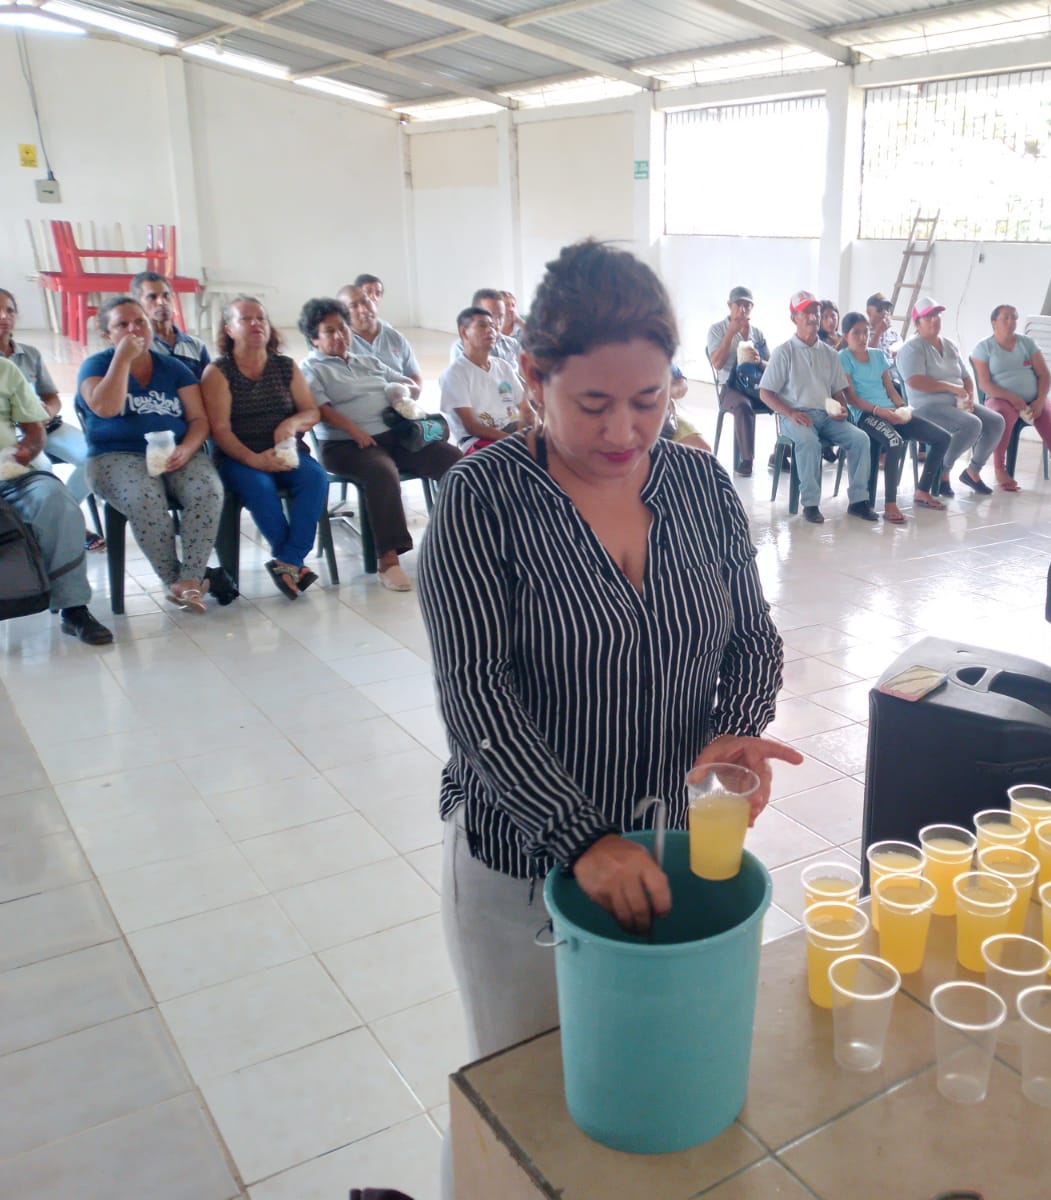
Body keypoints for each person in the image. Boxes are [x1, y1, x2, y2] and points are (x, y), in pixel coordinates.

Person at [417, 240, 798, 1196]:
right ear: (534, 378)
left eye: (649, 399)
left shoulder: (699, 488)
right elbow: (476, 698)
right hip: (520, 865)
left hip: (666, 850)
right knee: (522, 1109)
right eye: (593, 403)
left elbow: (753, 638)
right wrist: (579, 838)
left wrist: (738, 727)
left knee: (646, 1083)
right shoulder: (481, 502)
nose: (624, 430)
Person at [299, 297, 461, 592]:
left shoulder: (366, 361)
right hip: (346, 445)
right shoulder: (312, 369)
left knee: (453, 460)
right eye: (329, 331)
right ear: (314, 338)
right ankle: (388, 560)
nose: (339, 335)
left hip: (394, 436)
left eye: (343, 328)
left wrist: (402, 392)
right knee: (382, 472)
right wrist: (354, 430)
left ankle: (458, 538)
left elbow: (409, 384)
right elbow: (320, 409)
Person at [77, 297, 223, 613]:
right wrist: (122, 360)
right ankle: (176, 582)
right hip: (114, 456)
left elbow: (199, 419)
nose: (134, 330)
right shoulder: (96, 366)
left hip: (175, 451)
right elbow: (105, 408)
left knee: (207, 489)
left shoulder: (173, 368)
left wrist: (187, 448)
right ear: (107, 334)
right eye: (122, 325)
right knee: (145, 497)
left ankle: (191, 578)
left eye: (139, 322)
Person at [199, 297, 330, 599]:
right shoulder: (218, 372)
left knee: (315, 478)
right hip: (238, 457)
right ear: (229, 329)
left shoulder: (285, 366)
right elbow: (220, 430)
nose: (256, 324)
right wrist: (256, 460)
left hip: (286, 451)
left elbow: (311, 411)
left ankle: (289, 560)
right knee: (259, 487)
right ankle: (293, 564)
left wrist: (292, 424)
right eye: (246, 319)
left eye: (261, 318)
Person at [0, 357, 112, 644]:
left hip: (9, 472)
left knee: (56, 501)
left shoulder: (5, 369)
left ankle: (73, 608)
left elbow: (34, 430)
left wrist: (27, 450)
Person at [758, 291, 876, 525]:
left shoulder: (830, 354)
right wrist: (791, 413)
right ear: (794, 318)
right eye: (806, 313)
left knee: (860, 439)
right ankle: (810, 504)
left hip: (827, 416)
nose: (813, 317)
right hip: (795, 416)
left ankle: (858, 501)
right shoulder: (784, 352)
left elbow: (837, 391)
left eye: (816, 312)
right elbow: (765, 393)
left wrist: (842, 409)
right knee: (809, 442)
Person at [837, 311, 952, 521]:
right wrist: (878, 411)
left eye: (866, 332)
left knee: (943, 438)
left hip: (890, 411)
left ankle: (922, 490)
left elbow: (891, 390)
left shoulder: (877, 355)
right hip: (866, 415)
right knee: (894, 442)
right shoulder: (843, 358)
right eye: (856, 333)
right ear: (845, 335)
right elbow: (852, 398)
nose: (863, 337)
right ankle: (890, 503)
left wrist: (902, 408)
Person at [0, 287, 93, 534]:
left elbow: (51, 396)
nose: (4, 316)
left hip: (45, 426)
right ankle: (57, 525)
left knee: (93, 458)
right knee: (41, 472)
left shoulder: (30, 354)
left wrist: (47, 412)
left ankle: (65, 519)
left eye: (9, 311)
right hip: (15, 436)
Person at [973, 304, 1051, 499]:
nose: (1011, 321)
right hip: (1000, 399)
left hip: (1033, 399)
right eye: (1006, 317)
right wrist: (1012, 398)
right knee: (1002, 417)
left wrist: (1040, 400)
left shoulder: (1027, 343)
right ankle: (1000, 469)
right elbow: (985, 384)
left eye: (1014, 317)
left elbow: (1044, 375)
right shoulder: (984, 347)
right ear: (994, 322)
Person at [897, 297, 1004, 497]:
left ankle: (972, 472)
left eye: (937, 315)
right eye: (928, 317)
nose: (934, 319)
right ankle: (942, 470)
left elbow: (965, 377)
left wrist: (969, 396)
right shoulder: (912, 348)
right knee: (972, 424)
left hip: (955, 403)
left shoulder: (950, 345)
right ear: (917, 323)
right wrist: (950, 387)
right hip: (926, 407)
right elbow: (915, 381)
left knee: (996, 421)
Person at [705, 286, 769, 477]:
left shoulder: (757, 333)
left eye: (747, 306)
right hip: (730, 387)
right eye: (738, 305)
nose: (743, 309)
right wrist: (731, 333)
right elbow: (717, 363)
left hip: (754, 385)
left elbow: (771, 367)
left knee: (786, 399)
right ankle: (747, 460)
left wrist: (759, 361)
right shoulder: (717, 329)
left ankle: (783, 454)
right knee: (743, 406)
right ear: (729, 306)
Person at [439, 306, 522, 454]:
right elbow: (472, 427)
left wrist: (538, 430)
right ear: (464, 332)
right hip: (480, 440)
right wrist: (515, 441)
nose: (491, 330)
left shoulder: (503, 366)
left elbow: (526, 408)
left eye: (492, 326)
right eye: (482, 325)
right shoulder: (454, 374)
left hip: (513, 430)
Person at [338, 285, 422, 387]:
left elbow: (415, 377)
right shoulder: (341, 345)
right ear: (343, 314)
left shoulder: (395, 337)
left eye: (365, 301)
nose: (363, 309)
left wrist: (408, 391)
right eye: (353, 306)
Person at [131, 271, 208, 373]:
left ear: (173, 298)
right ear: (138, 304)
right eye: (152, 297)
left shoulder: (196, 345)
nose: (162, 302)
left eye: (166, 295)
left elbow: (211, 381)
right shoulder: (136, 348)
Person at [450, 288, 522, 368]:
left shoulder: (512, 344)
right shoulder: (462, 347)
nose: (497, 323)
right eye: (491, 316)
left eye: (501, 316)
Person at [663, 364, 711, 453]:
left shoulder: (661, 361)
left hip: (667, 423)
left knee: (703, 451)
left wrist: (669, 388)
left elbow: (681, 386)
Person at [866, 292, 901, 357]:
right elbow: (865, 357)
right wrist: (878, 333)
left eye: (887, 309)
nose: (885, 312)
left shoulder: (895, 335)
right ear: (868, 312)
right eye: (880, 309)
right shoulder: (861, 333)